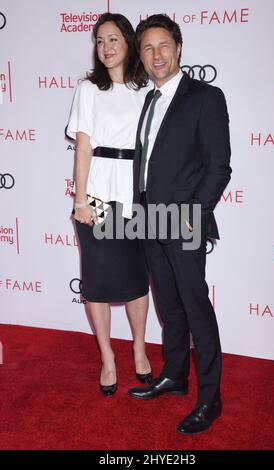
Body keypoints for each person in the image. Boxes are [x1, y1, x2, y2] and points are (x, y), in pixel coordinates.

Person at [128, 14, 231, 435]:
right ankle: (174, 375)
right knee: (169, 308)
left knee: (196, 309)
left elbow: (219, 167)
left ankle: (210, 398)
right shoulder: (148, 100)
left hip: (183, 221)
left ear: (179, 48)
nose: (156, 55)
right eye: (148, 48)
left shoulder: (206, 96)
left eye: (163, 46)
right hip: (148, 220)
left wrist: (193, 215)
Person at [67, 12, 153, 397]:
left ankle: (138, 346)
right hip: (98, 198)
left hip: (136, 198)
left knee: (137, 280)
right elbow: (83, 147)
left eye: (114, 38)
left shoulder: (147, 88)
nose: (106, 47)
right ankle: (107, 357)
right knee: (98, 283)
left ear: (129, 42)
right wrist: (80, 199)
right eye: (100, 41)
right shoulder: (88, 90)